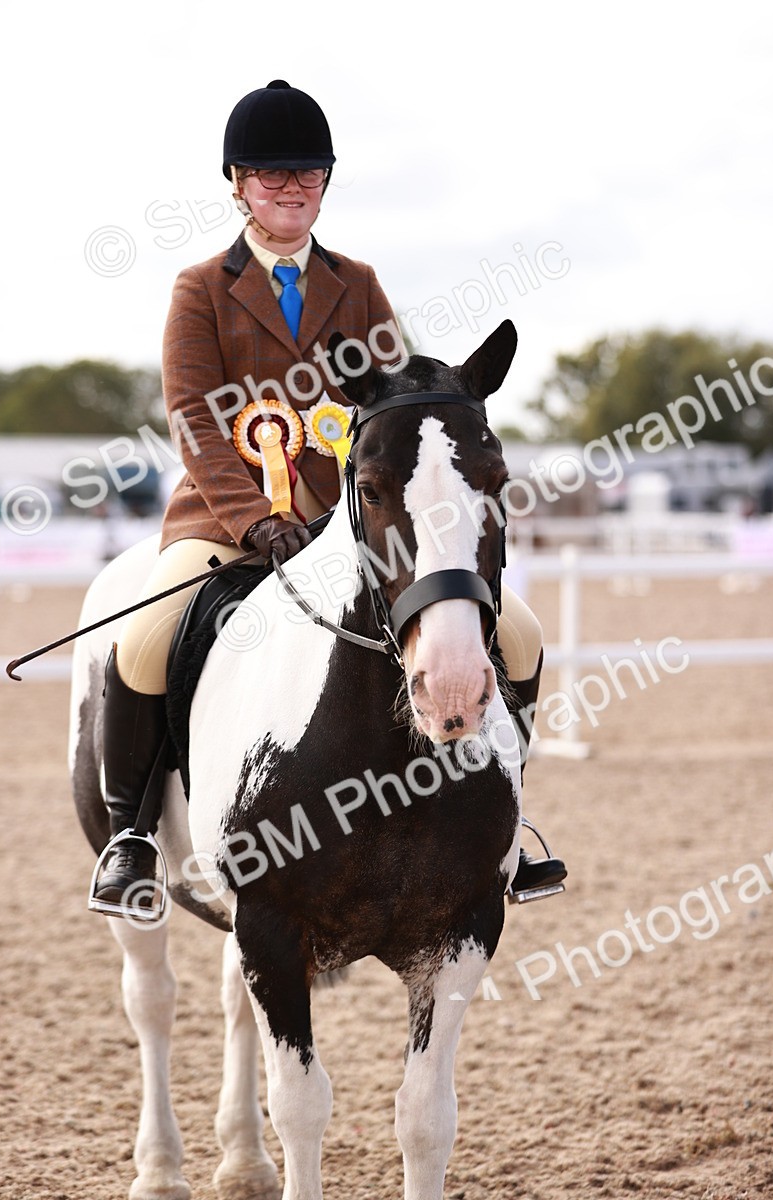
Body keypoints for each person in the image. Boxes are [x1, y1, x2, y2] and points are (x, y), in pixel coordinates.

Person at [92, 80, 565, 914]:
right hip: (227, 522)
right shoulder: (199, 289)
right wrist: (256, 520)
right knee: (146, 636)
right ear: (237, 183)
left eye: (305, 174)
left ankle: (504, 822)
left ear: (324, 184)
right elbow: (195, 422)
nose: (288, 188)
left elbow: (391, 407)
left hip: (347, 522)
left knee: (515, 633)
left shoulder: (359, 281)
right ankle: (131, 835)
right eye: (270, 175)